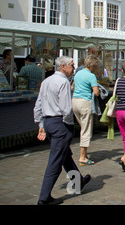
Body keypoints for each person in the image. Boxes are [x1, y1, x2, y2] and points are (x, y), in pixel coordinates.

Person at [33, 56, 91, 205]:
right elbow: (66, 109)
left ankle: (77, 180)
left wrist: (41, 125)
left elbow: (38, 105)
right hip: (60, 122)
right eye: (72, 65)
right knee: (56, 160)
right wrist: (69, 124)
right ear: (63, 67)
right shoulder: (63, 82)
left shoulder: (46, 81)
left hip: (49, 122)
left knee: (64, 153)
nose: (73, 68)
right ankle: (44, 197)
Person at [72, 55, 100, 165]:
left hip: (75, 101)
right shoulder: (91, 76)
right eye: (96, 66)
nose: (97, 68)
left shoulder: (78, 73)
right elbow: (96, 92)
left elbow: (73, 87)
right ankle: (82, 157)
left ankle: (84, 154)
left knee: (82, 127)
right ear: (92, 65)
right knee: (86, 130)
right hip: (85, 102)